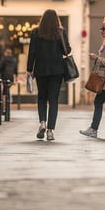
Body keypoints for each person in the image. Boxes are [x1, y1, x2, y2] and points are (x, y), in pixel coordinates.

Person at [26, 9, 70, 141]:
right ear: (57, 19)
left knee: (41, 98)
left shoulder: (35, 32)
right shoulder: (60, 32)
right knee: (53, 100)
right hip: (57, 71)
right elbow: (66, 50)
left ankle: (42, 123)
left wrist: (29, 69)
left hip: (41, 70)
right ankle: (50, 131)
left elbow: (32, 52)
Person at [0, 48, 18, 114]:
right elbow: (15, 69)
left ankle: (4, 109)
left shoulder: (4, 59)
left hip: (4, 76)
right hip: (10, 77)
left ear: (6, 53)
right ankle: (7, 107)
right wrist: (16, 76)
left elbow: (0, 67)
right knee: (7, 91)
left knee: (4, 93)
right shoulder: (14, 60)